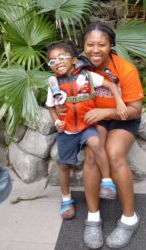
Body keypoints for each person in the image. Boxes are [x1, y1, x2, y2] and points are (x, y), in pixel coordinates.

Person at [56, 22, 144, 248]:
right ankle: (93, 217)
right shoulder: (77, 68)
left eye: (101, 45)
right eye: (90, 44)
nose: (96, 50)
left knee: (114, 154)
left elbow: (135, 110)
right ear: (83, 46)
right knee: (93, 153)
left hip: (123, 118)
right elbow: (59, 93)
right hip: (94, 119)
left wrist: (107, 110)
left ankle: (129, 218)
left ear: (111, 45)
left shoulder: (125, 69)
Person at [45, 40, 128, 220]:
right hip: (66, 130)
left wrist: (119, 101)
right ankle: (66, 198)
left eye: (61, 58)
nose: (57, 63)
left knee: (96, 142)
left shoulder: (88, 77)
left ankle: (107, 181)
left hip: (86, 125)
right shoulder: (53, 85)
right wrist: (56, 120)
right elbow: (51, 107)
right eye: (52, 61)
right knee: (64, 165)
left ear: (73, 60)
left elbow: (111, 85)